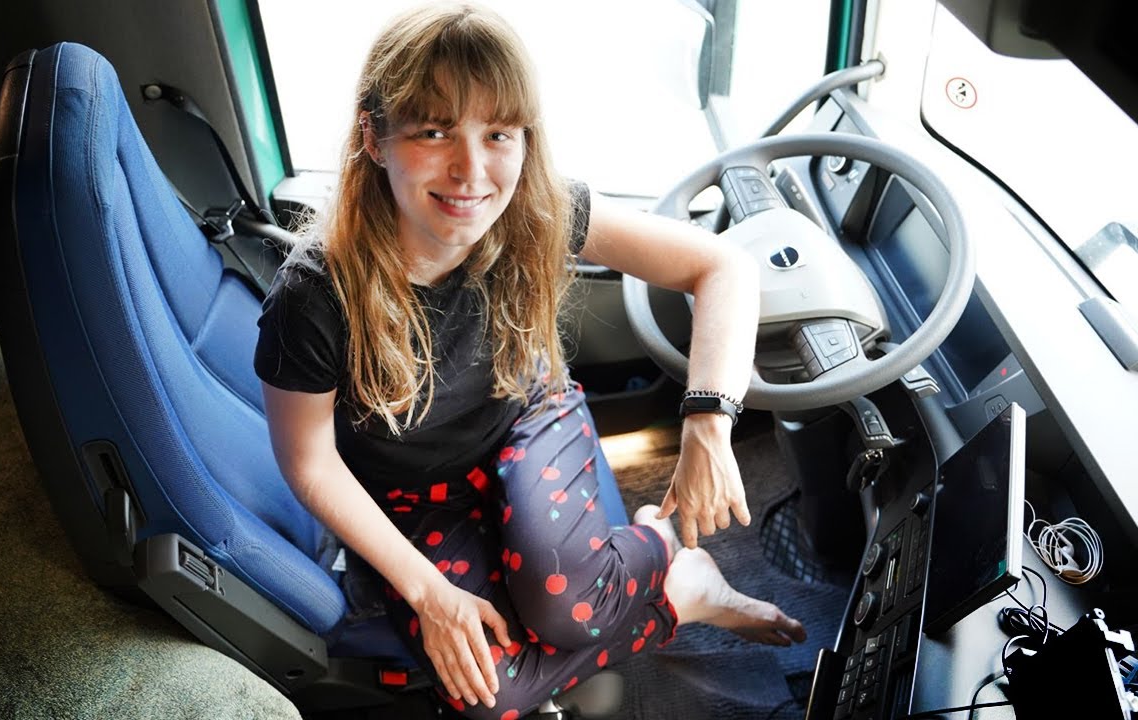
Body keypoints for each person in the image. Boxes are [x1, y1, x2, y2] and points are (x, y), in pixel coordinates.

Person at [254, 4, 806, 718]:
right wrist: (430, 594)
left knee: (566, 609)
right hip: (412, 492)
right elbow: (310, 462)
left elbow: (722, 266)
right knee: (488, 697)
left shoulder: (537, 210)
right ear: (375, 137)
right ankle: (679, 591)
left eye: (498, 134)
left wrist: (709, 421)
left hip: (527, 415)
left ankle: (664, 556)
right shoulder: (313, 295)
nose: (472, 171)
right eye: (434, 131)